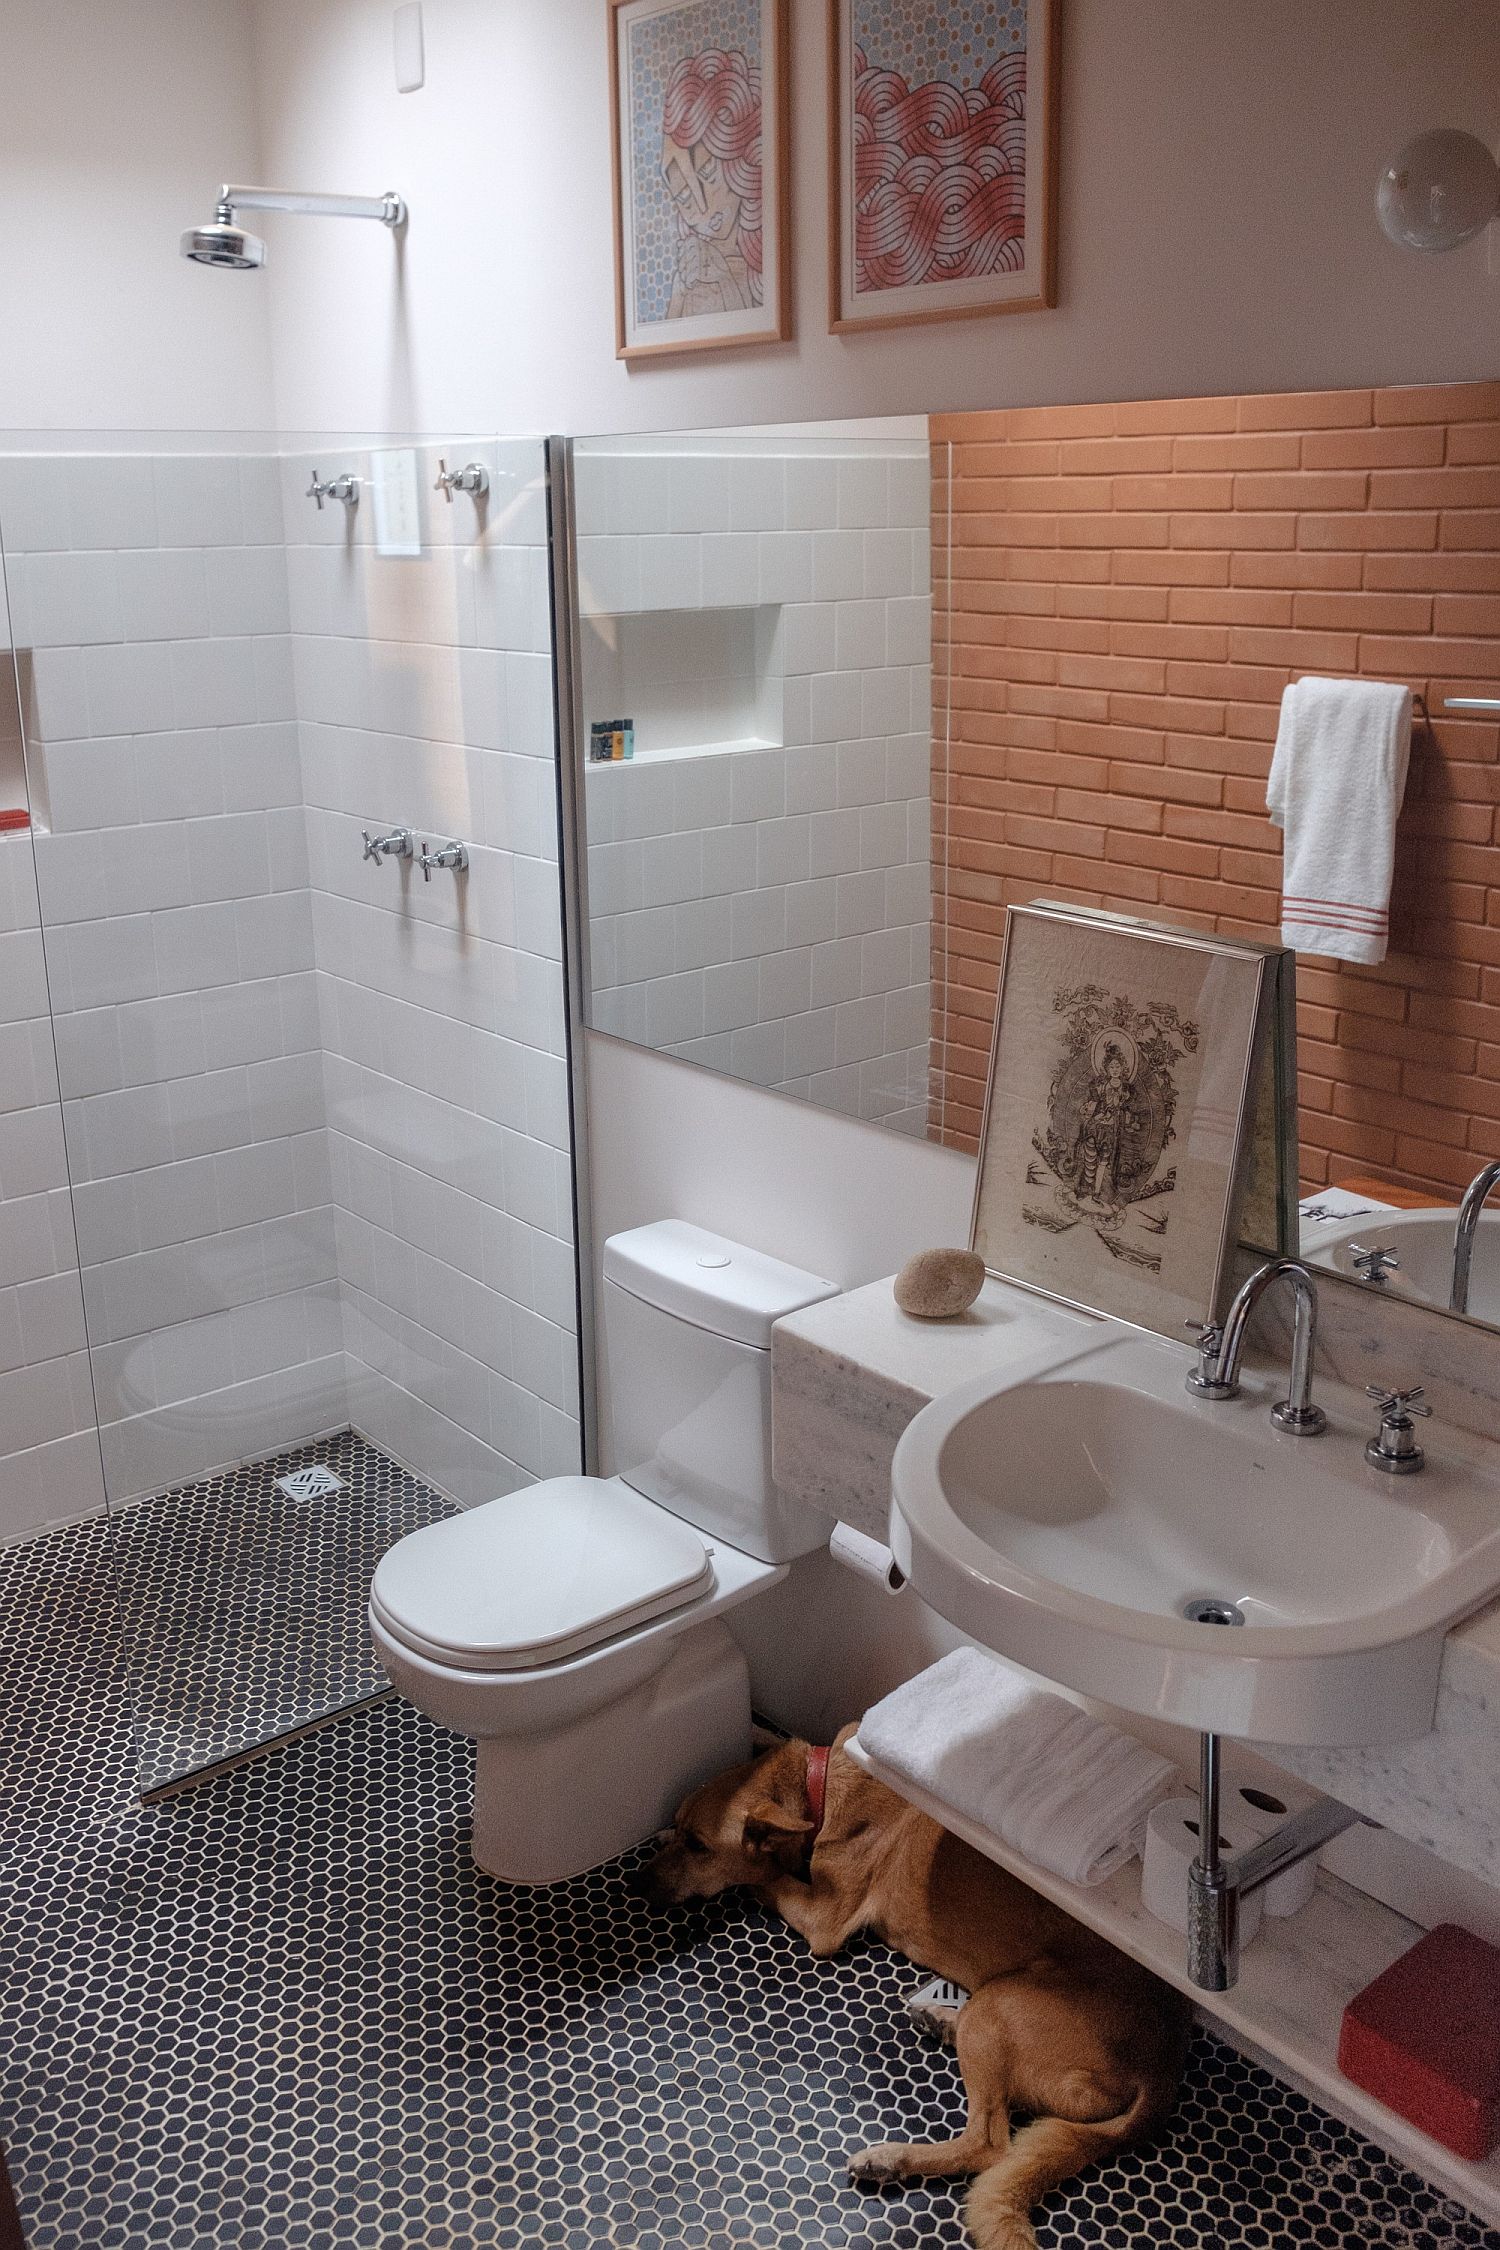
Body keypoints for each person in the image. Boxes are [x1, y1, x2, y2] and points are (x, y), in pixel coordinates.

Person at [660, 47, 764, 318]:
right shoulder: (689, 275)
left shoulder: (766, 268)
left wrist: (723, 277)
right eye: (684, 198)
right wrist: (681, 291)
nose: (703, 206)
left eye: (707, 173)